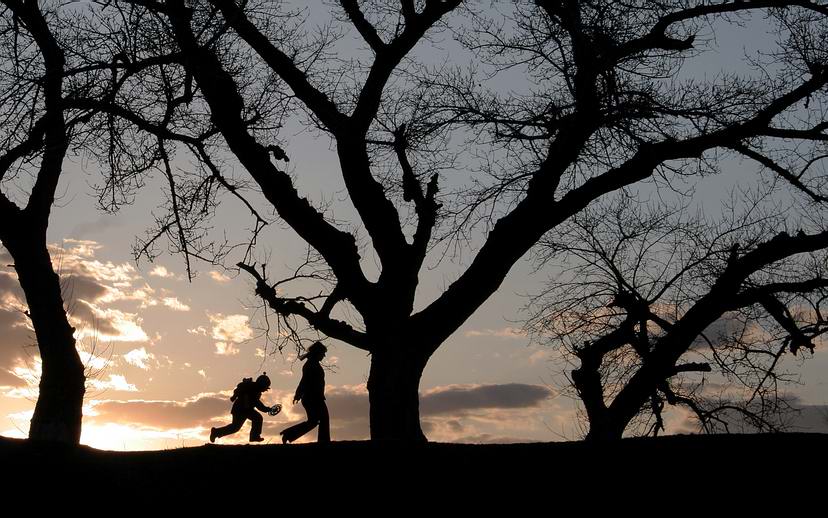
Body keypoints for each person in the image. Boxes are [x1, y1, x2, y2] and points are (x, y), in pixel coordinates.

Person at [280, 341, 330, 443]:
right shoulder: (311, 365)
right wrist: (298, 395)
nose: (324, 356)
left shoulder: (312, 364)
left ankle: (288, 434)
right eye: (323, 353)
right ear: (317, 353)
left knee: (314, 421)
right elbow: (304, 381)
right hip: (313, 398)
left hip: (313, 397)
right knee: (322, 419)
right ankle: (323, 441)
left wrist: (298, 395)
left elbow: (304, 381)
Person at [210, 372, 277, 443]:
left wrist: (267, 409)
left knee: (236, 427)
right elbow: (257, 403)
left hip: (243, 409)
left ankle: (216, 432)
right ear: (262, 385)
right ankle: (254, 436)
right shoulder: (254, 389)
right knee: (255, 419)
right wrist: (267, 409)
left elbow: (257, 403)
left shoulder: (254, 389)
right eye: (265, 387)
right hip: (241, 409)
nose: (265, 390)